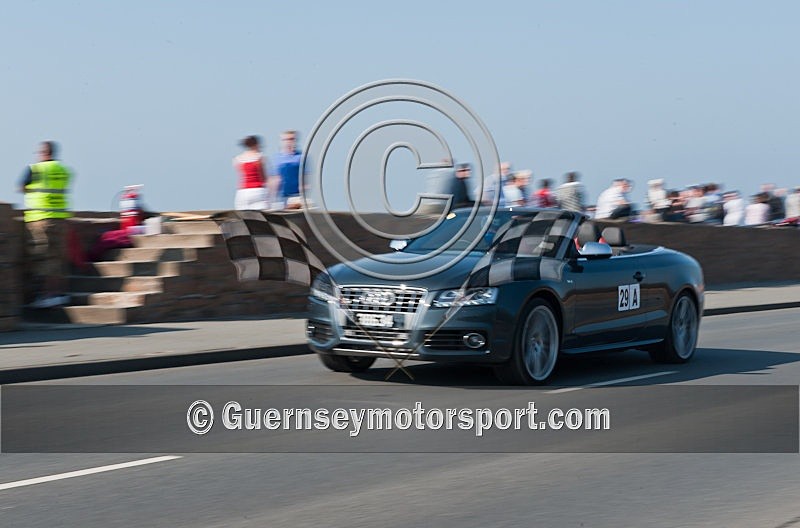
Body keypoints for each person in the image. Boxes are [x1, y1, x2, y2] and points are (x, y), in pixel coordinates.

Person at [18, 141, 73, 308]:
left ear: (44, 153)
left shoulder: (35, 169)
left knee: (44, 259)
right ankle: (58, 294)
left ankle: (49, 296)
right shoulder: (64, 170)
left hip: (40, 219)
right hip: (60, 218)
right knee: (57, 258)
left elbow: (21, 187)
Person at [233, 135, 269, 210]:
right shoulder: (260, 157)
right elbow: (263, 178)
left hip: (243, 192)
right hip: (258, 191)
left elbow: (241, 176)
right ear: (256, 144)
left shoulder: (238, 159)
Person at [272, 130, 304, 209]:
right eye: (286, 139)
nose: (289, 142)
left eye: (291, 139)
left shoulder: (300, 157)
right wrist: (272, 198)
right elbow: (274, 179)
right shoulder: (277, 158)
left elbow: (305, 178)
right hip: (281, 197)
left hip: (296, 196)